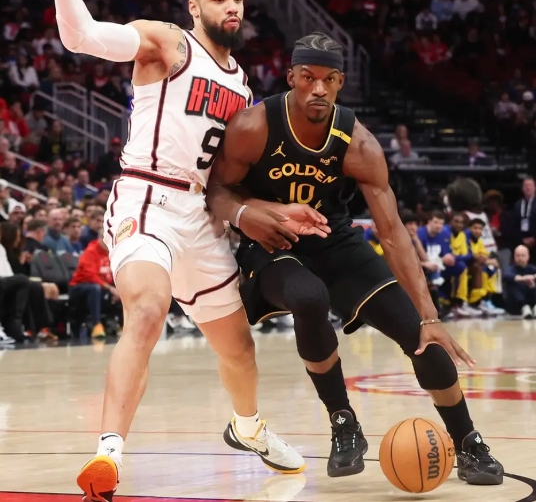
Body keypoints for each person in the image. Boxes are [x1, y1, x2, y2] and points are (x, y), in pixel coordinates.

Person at [22, 0, 306, 501]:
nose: (233, 7)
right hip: (147, 197)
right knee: (148, 310)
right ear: (195, 8)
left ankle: (248, 428)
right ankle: (108, 454)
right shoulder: (168, 43)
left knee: (239, 348)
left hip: (203, 216)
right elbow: (82, 37)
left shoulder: (243, 85)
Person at [206, 32, 504, 485]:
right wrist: (251, 214)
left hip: (333, 238)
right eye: (308, 78)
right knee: (308, 298)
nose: (318, 89)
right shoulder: (254, 126)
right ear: (291, 77)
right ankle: (343, 422)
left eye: (329, 80)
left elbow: (393, 232)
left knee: (420, 335)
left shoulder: (358, 142)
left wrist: (429, 314)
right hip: (271, 243)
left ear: (341, 82)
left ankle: (467, 441)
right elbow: (216, 191)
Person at [503, 244, 536, 318]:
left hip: (531, 300)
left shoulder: (532, 268)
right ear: (514, 257)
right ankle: (524, 307)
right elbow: (507, 276)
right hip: (515, 305)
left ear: (528, 257)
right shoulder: (510, 269)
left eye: (522, 255)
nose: (520, 258)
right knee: (514, 284)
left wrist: (533, 278)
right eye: (517, 256)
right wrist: (524, 279)